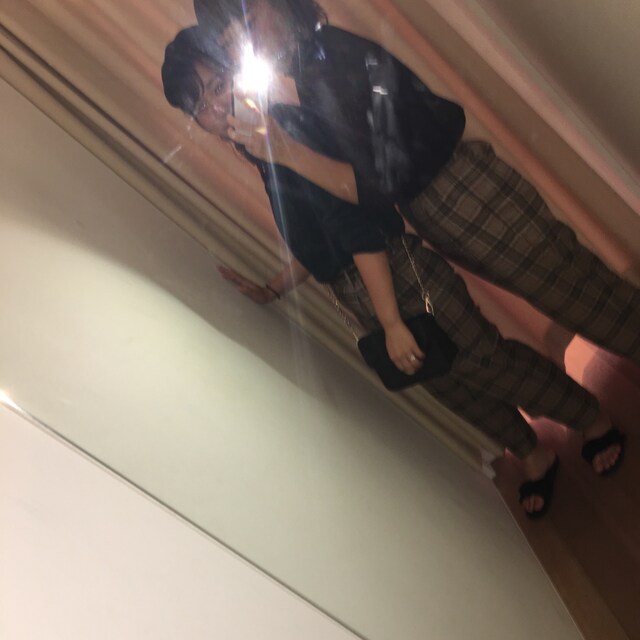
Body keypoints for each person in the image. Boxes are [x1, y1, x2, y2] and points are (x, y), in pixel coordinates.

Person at [161, 26, 625, 519]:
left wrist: (390, 322)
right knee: (450, 384)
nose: (216, 109)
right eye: (199, 107)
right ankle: (534, 453)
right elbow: (320, 242)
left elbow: (356, 227)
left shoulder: (282, 130)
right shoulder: (261, 151)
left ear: (236, 74)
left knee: (486, 362)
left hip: (394, 274)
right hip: (367, 290)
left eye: (217, 86)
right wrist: (274, 289)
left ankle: (591, 420)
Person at [193, 0, 640, 370]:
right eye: (230, 43)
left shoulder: (327, 65)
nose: (246, 46)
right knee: (575, 287)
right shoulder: (315, 65)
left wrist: (286, 151)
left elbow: (373, 187)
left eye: (248, 25)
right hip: (450, 196)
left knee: (577, 294)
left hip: (458, 193)